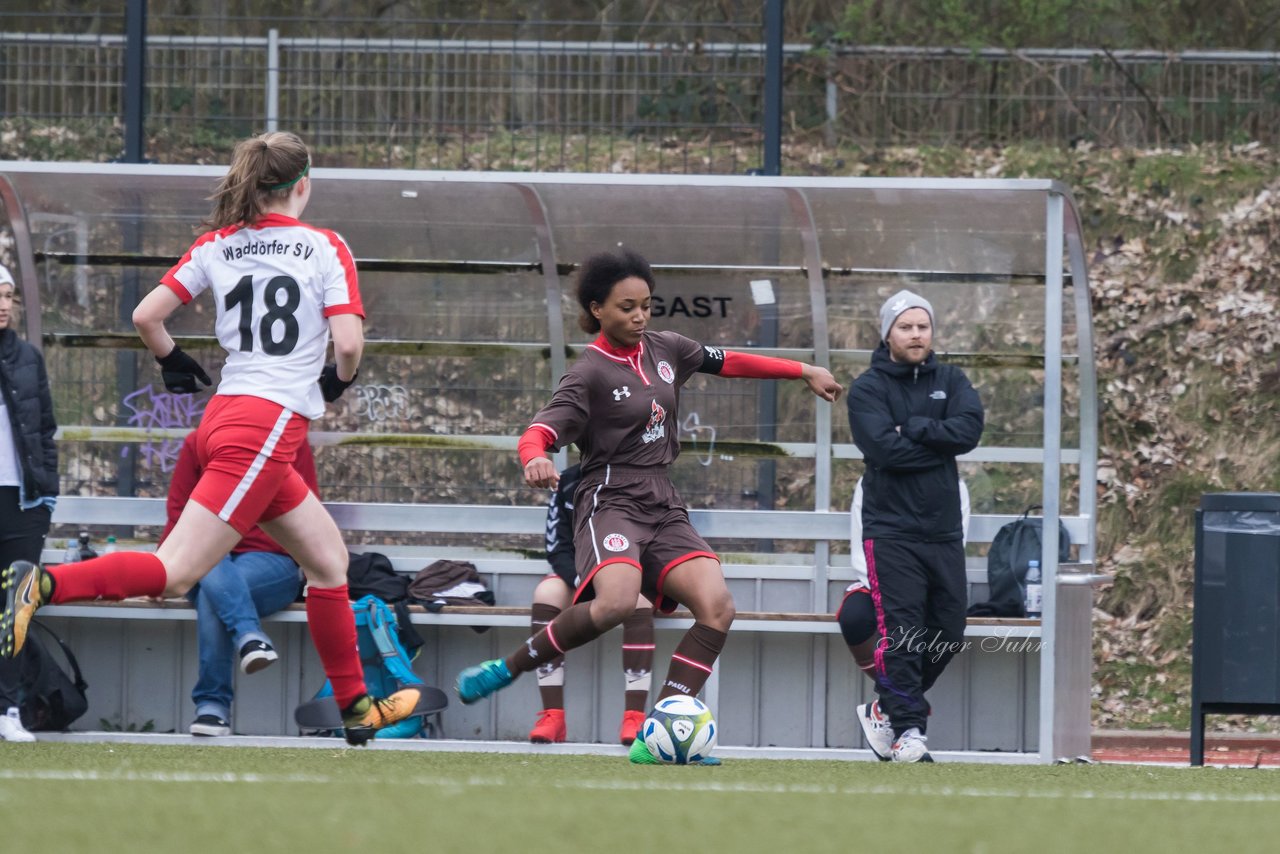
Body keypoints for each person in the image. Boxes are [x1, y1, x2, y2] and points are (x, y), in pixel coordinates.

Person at [0, 131, 420, 746]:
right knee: (175, 572)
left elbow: (147, 315)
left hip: (228, 416)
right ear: (304, 184)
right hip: (266, 428)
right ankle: (39, 584)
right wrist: (336, 378)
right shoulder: (324, 245)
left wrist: (172, 360)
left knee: (328, 564)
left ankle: (356, 708)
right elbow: (350, 344)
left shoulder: (216, 243)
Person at [454, 247, 843, 764]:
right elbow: (540, 430)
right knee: (617, 602)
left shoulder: (668, 349)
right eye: (626, 307)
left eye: (646, 305)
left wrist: (802, 369)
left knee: (718, 608)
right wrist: (535, 458)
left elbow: (729, 362)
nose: (639, 317)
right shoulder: (587, 374)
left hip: (661, 498)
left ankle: (655, 736)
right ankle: (510, 666)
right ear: (597, 309)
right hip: (610, 499)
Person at [845, 289, 984, 763]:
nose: (916, 334)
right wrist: (939, 444)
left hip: (943, 530)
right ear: (888, 334)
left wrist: (919, 429)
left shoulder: (952, 378)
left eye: (922, 326)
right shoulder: (868, 388)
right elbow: (883, 449)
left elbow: (969, 430)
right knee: (902, 632)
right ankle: (909, 731)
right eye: (906, 326)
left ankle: (885, 709)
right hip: (891, 531)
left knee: (949, 628)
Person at [164, 432, 317, 737]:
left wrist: (315, 568)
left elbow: (307, 508)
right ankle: (248, 635)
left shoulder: (290, 440)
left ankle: (212, 706)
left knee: (213, 593)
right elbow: (179, 511)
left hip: (270, 559)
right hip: (206, 556)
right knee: (209, 564)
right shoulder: (199, 441)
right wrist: (163, 570)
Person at [836, 476, 968, 754]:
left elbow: (955, 544)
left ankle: (884, 707)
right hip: (879, 580)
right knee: (860, 618)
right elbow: (863, 543)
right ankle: (906, 729)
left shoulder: (952, 483)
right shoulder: (871, 480)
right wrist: (896, 590)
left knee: (949, 634)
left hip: (931, 586)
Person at [527, 462, 654, 746]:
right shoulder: (567, 482)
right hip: (578, 576)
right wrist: (581, 581)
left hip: (630, 575)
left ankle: (634, 717)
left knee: (639, 601)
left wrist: (617, 581)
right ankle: (553, 716)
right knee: (546, 594)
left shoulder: (644, 479)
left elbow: (655, 541)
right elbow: (556, 546)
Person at [0, 263, 58, 744]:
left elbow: (45, 432)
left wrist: (49, 495)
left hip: (22, 501)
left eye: (7, 295)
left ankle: (9, 708)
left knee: (15, 605)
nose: (3, 304)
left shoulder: (27, 358)